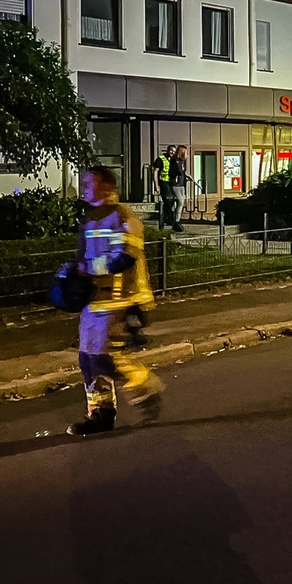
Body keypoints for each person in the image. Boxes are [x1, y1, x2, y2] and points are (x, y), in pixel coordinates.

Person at [65, 165, 164, 435]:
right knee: (88, 359)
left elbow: (126, 257)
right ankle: (100, 414)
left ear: (106, 187)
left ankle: (144, 386)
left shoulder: (124, 216)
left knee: (108, 359)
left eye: (89, 183)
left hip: (120, 301)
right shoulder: (90, 217)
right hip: (93, 301)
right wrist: (71, 273)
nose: (84, 187)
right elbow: (83, 256)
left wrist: (91, 268)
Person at [168, 145, 194, 232]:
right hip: (175, 184)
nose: (187, 155)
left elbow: (183, 172)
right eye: (186, 153)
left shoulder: (182, 162)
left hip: (181, 184)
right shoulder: (174, 161)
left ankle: (177, 220)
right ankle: (176, 221)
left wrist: (186, 176)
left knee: (182, 202)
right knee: (180, 201)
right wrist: (179, 173)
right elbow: (173, 172)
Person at [151, 145, 176, 231]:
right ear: (168, 150)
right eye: (171, 150)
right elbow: (155, 171)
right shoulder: (160, 159)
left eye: (174, 151)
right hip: (163, 182)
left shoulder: (174, 159)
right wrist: (156, 185)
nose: (172, 152)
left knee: (172, 200)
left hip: (172, 182)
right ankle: (168, 218)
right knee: (168, 199)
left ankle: (168, 217)